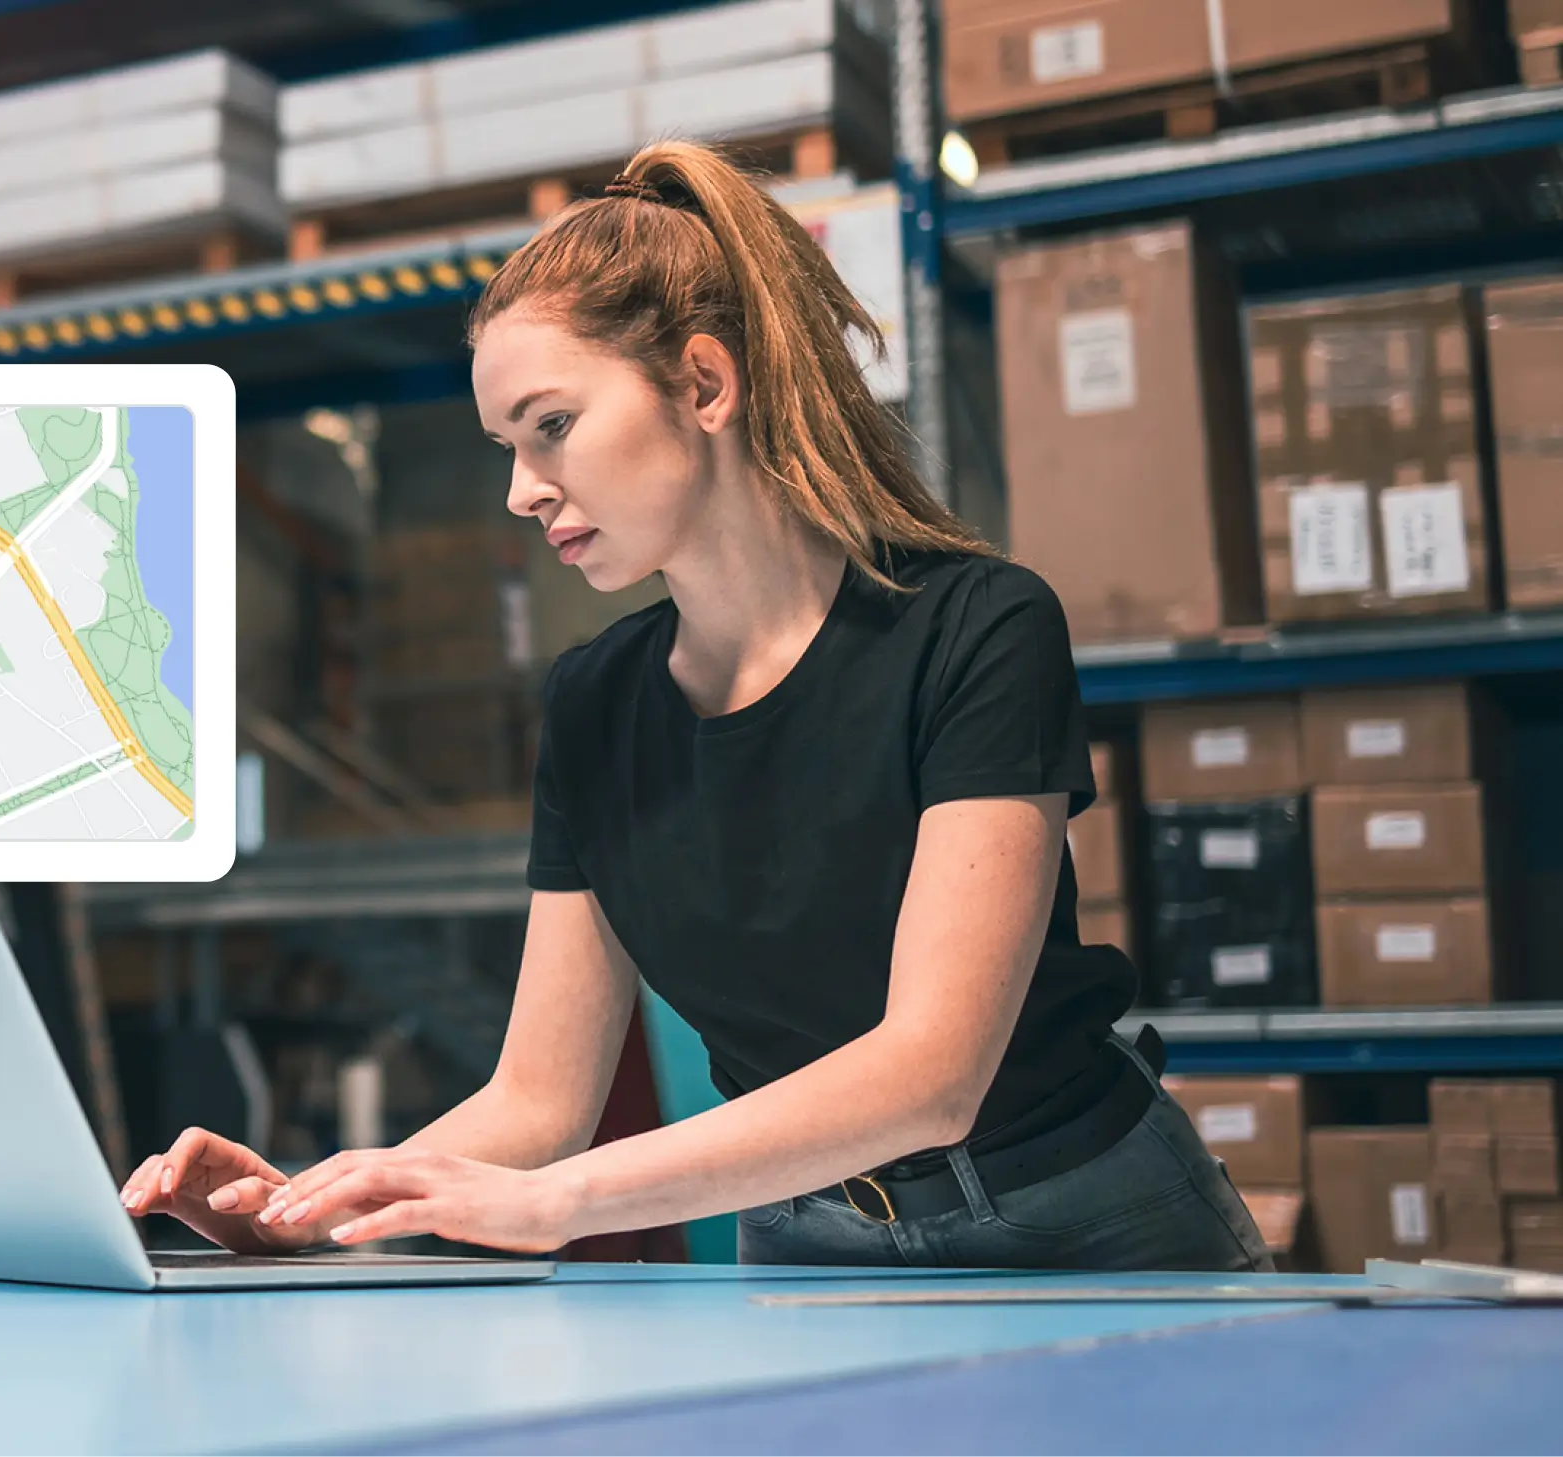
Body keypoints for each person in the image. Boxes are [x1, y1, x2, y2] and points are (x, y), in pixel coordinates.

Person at [121, 139, 1271, 1273]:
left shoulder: (977, 628)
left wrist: (557, 1200)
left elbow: (935, 1071)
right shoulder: (592, 704)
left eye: (552, 425)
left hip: (1083, 1222)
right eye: (505, 447)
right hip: (806, 1237)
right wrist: (316, 1209)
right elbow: (536, 1098)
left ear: (705, 384)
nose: (523, 491)